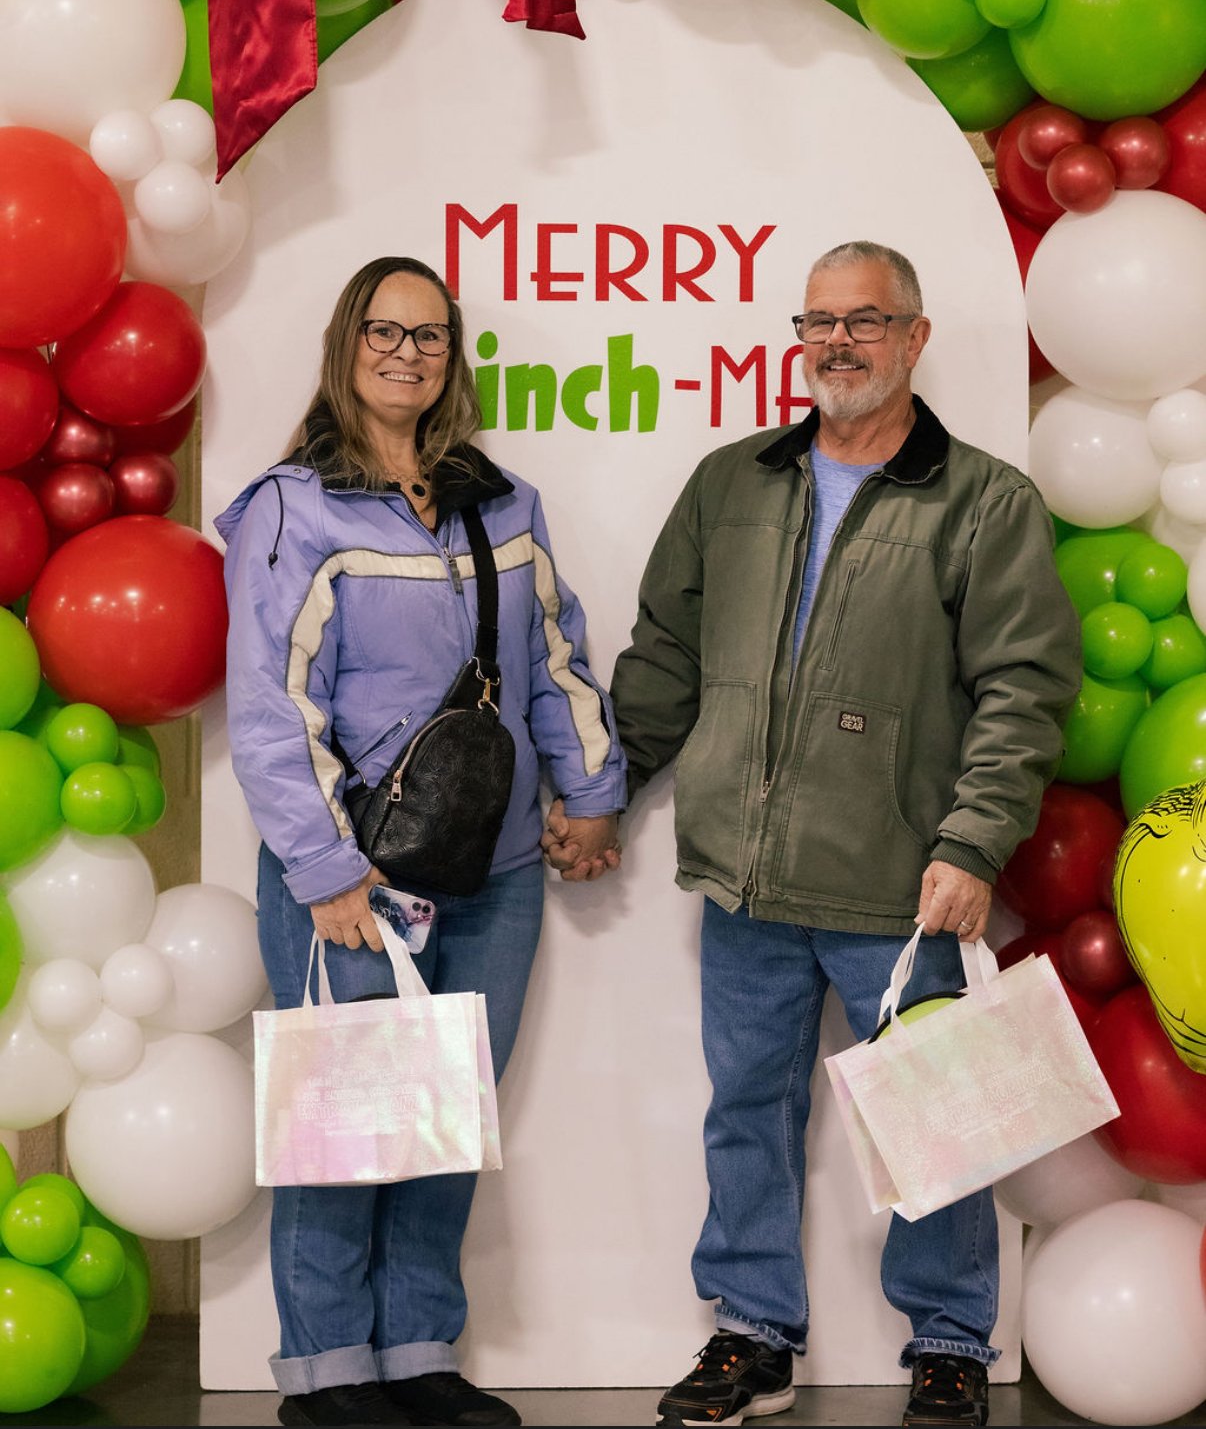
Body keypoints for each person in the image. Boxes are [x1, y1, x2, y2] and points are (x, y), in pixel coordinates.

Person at [547, 240, 1081, 1428]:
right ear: (799, 339)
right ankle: (751, 1337)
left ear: (915, 338)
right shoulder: (732, 484)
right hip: (745, 877)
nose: (839, 343)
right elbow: (665, 660)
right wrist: (603, 796)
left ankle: (948, 1341)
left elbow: (1023, 688)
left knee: (936, 1116)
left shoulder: (983, 499)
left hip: (904, 883)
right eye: (819, 322)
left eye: (867, 320)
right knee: (748, 1108)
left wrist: (974, 843)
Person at [217, 256, 625, 1429]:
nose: (409, 353)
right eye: (386, 332)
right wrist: (326, 870)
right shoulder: (291, 508)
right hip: (351, 879)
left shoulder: (506, 502)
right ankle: (329, 1372)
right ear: (348, 345)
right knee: (343, 1123)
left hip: (492, 872)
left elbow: (555, 660)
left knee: (446, 1115)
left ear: (454, 355)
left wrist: (593, 793)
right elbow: (269, 705)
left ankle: (420, 1352)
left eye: (432, 336)